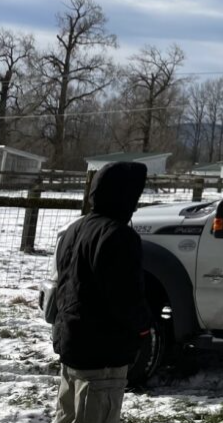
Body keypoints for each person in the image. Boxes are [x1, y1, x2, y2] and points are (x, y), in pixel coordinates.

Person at [52, 162, 151, 423]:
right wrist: (143, 329)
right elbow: (125, 298)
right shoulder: (119, 236)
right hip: (101, 357)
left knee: (66, 417)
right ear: (125, 195)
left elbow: (63, 286)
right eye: (135, 195)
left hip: (72, 345)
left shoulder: (76, 228)